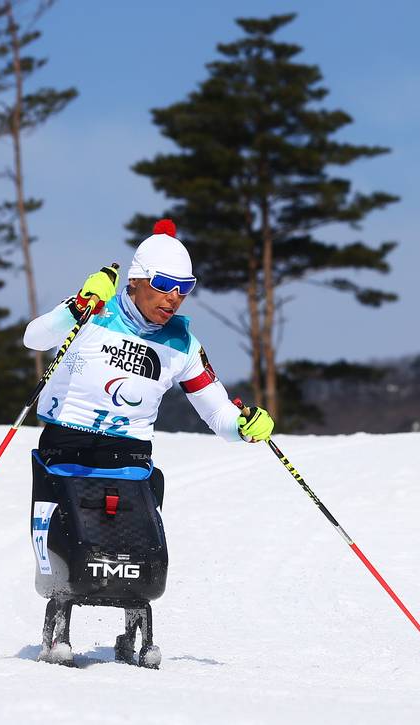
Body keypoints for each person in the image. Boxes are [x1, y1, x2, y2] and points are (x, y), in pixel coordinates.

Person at [22, 218, 273, 666]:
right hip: (68, 446)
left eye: (185, 287)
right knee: (72, 540)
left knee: (141, 550)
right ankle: (61, 614)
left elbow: (217, 412)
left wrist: (244, 426)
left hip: (129, 455)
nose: (173, 297)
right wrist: (76, 305)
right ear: (136, 281)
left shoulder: (182, 344)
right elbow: (33, 338)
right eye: (163, 285)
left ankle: (134, 620)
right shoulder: (95, 310)